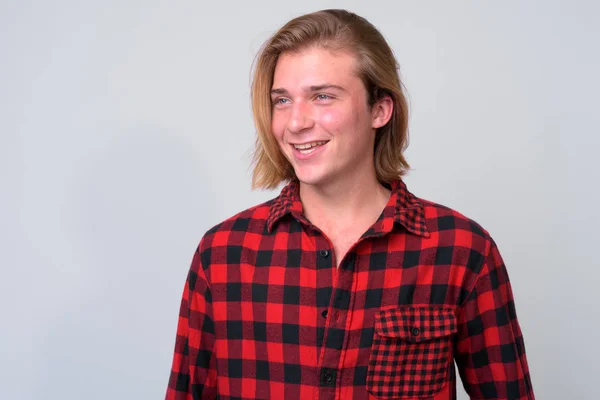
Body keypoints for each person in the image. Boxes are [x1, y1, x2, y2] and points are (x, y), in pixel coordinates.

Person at [165, 9, 534, 400]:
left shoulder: (461, 251)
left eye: (322, 96)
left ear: (380, 110)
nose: (295, 123)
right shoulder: (222, 254)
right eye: (282, 100)